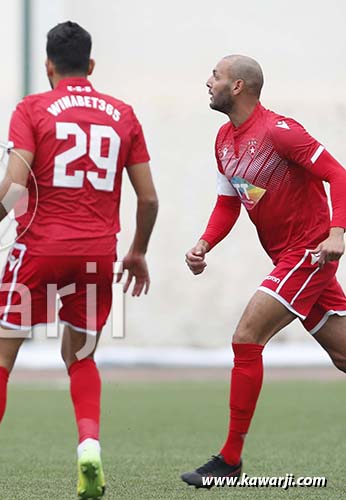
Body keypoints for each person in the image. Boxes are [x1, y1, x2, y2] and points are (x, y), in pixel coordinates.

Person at [0, 21, 158, 500]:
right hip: (97, 254)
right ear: (91, 65)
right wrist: (139, 251)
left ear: (48, 66)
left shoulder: (33, 108)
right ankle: (89, 446)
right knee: (80, 355)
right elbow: (148, 200)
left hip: (39, 248)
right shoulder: (123, 115)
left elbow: (16, 183)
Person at [181, 55, 346, 487]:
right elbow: (229, 202)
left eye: (215, 76)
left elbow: (339, 175)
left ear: (237, 86)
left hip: (308, 255)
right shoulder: (223, 139)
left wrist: (337, 234)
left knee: (246, 337)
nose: (208, 81)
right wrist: (204, 243)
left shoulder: (279, 132)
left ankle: (230, 458)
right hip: (286, 259)